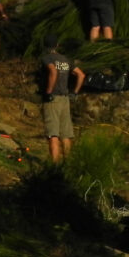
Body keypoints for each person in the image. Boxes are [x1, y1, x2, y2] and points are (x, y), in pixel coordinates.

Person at [41, 33, 85, 163]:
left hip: (52, 99)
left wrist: (48, 92)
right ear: (57, 45)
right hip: (65, 99)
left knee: (53, 134)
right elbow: (81, 75)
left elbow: (53, 71)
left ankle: (55, 167)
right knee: (66, 135)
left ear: (45, 45)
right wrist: (74, 92)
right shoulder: (65, 59)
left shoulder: (47, 58)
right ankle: (67, 165)